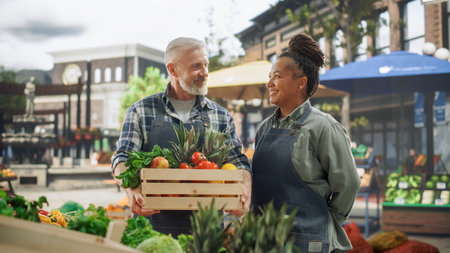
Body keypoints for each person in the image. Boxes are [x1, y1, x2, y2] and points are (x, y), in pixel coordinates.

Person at [111, 37, 252, 236]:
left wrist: (244, 188)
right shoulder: (141, 111)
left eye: (205, 65)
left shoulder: (221, 116)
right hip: (152, 229)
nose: (204, 72)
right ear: (172, 69)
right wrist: (131, 190)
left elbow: (238, 161)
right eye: (196, 66)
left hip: (208, 231)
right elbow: (121, 158)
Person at [251, 33, 360, 253]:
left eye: (277, 76)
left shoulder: (323, 127)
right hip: (263, 240)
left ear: (301, 83)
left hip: (306, 241)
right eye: (269, 76)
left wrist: (322, 220)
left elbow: (348, 184)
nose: (269, 83)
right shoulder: (264, 128)